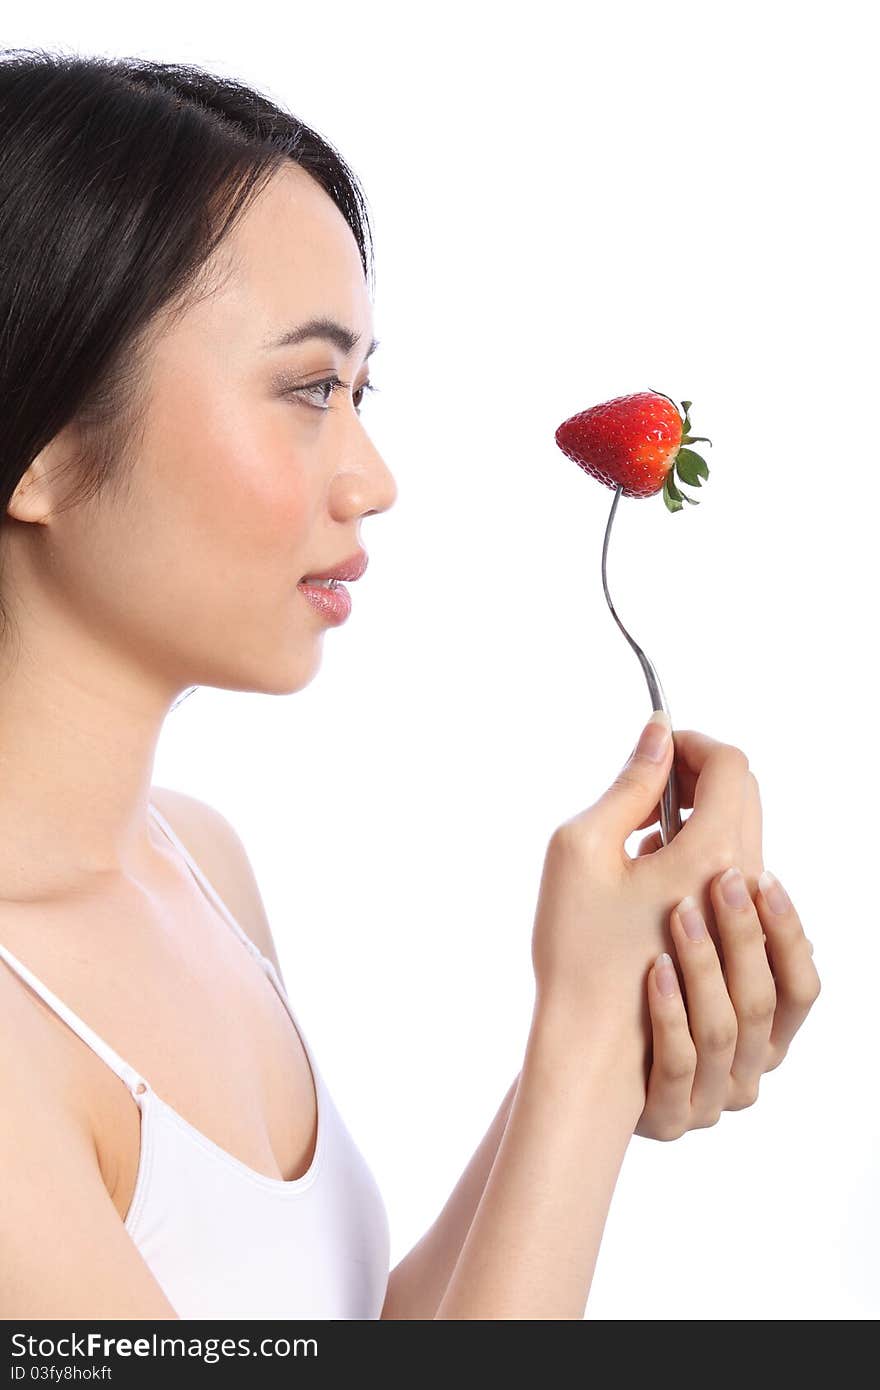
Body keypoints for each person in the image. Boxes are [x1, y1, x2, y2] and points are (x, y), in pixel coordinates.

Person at [0, 48, 820, 1322]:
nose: (373, 477)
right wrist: (589, 1056)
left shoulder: (201, 868)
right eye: (310, 388)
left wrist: (606, 1021)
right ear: (39, 453)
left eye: (363, 389)